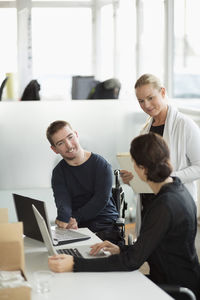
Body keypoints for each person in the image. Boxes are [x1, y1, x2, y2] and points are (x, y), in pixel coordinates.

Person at [48, 133, 200, 299]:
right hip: (173, 279)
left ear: (142, 169)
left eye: (133, 162)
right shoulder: (177, 190)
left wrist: (75, 264)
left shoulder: (164, 205)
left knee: (103, 290)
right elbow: (148, 247)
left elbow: (132, 262)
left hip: (175, 289)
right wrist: (120, 248)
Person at [120, 73, 200, 236]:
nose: (146, 105)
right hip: (150, 205)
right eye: (141, 101)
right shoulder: (145, 130)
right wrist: (133, 179)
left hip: (175, 204)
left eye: (150, 98)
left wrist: (170, 179)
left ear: (163, 92)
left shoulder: (185, 125)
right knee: (154, 257)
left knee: (174, 257)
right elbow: (148, 172)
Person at [46, 120, 122, 244]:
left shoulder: (101, 165)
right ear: (54, 149)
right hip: (76, 227)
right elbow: (62, 201)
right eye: (61, 143)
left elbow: (100, 199)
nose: (69, 145)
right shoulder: (58, 172)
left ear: (76, 135)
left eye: (70, 137)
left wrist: (75, 218)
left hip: (104, 223)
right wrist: (64, 218)